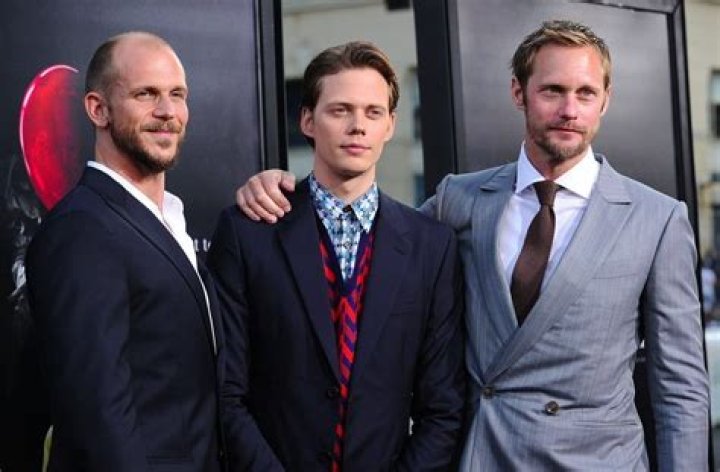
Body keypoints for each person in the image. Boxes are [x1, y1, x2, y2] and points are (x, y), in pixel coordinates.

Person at [234, 20, 709, 471]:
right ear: (518, 92)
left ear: (605, 100)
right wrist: (281, 188)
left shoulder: (657, 219)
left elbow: (681, 386)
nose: (570, 110)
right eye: (552, 90)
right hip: (483, 456)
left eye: (586, 93)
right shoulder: (459, 200)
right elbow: (367, 231)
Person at [207, 41, 465, 471]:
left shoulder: (431, 246)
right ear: (308, 120)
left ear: (390, 125)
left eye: (373, 112)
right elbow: (226, 392)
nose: (357, 126)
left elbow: (443, 408)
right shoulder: (248, 232)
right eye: (340, 110)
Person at [25, 32, 223, 471]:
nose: (167, 111)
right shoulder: (82, 231)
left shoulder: (170, 220)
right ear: (98, 109)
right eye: (145, 94)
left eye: (177, 94)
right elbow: (97, 415)